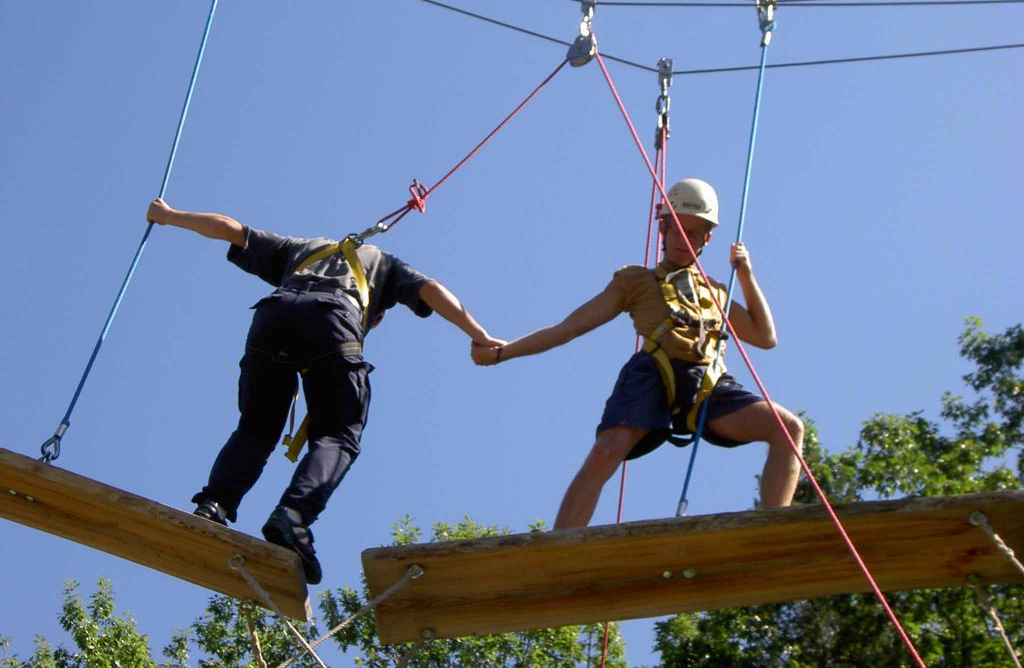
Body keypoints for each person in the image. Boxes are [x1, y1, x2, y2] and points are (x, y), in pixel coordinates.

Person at [148, 198, 502, 583]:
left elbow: (232, 229)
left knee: (256, 428)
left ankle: (214, 503)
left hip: (273, 316)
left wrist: (168, 216)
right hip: (332, 323)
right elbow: (431, 289)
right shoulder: (385, 265)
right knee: (340, 432)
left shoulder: (299, 248)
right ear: (377, 316)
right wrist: (479, 335)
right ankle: (293, 517)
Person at [471, 178, 804, 528]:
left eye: (693, 233)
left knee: (788, 428)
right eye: (675, 229)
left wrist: (747, 276)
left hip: (707, 381)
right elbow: (569, 327)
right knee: (605, 453)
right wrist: (503, 352)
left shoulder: (716, 292)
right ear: (662, 228)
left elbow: (765, 338)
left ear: (707, 239)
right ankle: (562, 544)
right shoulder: (635, 282)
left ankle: (771, 527)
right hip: (653, 375)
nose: (681, 239)